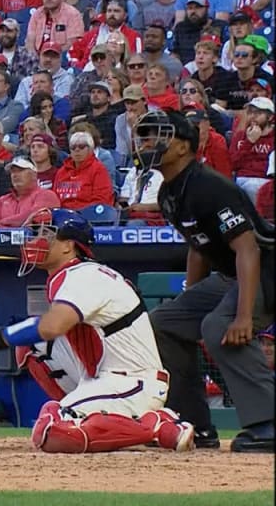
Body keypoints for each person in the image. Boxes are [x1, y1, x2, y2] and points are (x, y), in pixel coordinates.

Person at [0, 208, 195, 453]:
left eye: (46, 233)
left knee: (52, 431)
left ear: (68, 246)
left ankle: (156, 426)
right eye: (35, 233)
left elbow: (54, 325)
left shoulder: (85, 275)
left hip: (133, 382)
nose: (35, 240)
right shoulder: (70, 275)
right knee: (31, 344)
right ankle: (85, 408)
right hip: (104, 374)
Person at [134, 110, 274, 452]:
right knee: (162, 324)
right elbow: (199, 249)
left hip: (266, 269)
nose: (149, 143)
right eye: (146, 136)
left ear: (184, 146)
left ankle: (268, 425)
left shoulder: (209, 186)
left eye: (159, 135)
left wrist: (243, 317)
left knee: (219, 325)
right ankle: (193, 424)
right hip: (232, 275)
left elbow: (248, 249)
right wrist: (190, 303)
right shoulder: (170, 191)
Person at [0, 157, 62, 228]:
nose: (15, 175)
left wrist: (3, 222)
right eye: (13, 172)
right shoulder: (2, 201)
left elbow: (33, 216)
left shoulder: (46, 195)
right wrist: (9, 232)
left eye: (20, 170)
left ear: (34, 174)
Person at [54, 131, 115, 211]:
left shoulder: (98, 169)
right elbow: (55, 198)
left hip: (89, 216)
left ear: (90, 149)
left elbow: (101, 200)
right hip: (63, 216)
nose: (77, 150)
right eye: (73, 147)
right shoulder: (62, 172)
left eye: (81, 146)